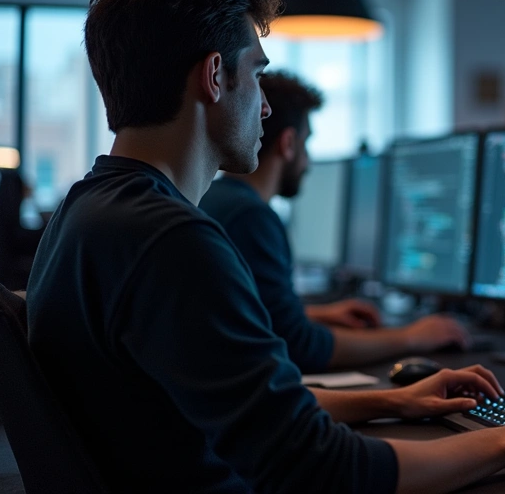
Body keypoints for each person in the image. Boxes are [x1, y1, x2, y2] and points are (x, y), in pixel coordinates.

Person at [25, 0, 505, 494]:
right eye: (256, 74)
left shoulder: (88, 212)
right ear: (215, 77)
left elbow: (243, 409)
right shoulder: (170, 241)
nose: (264, 105)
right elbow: (318, 469)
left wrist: (394, 400)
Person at [200, 71, 468, 373]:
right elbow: (299, 346)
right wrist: (411, 338)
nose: (308, 163)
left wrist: (313, 314)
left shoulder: (216, 199)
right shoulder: (251, 217)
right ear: (288, 143)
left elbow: (249, 316)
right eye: (307, 143)